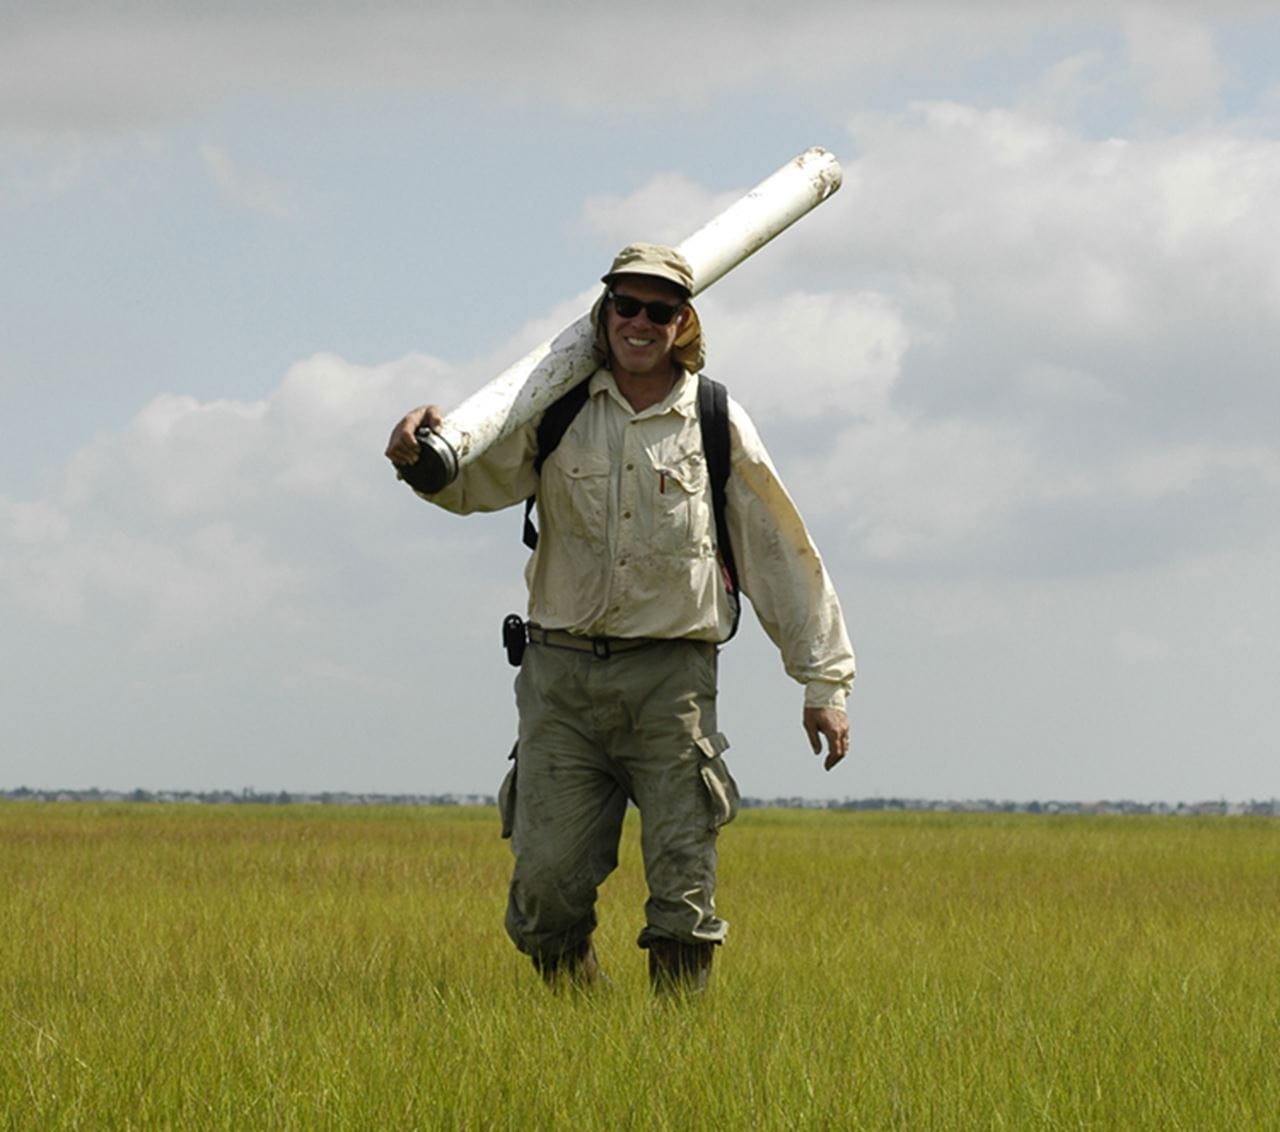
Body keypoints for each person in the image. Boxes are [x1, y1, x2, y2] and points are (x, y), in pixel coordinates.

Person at [385, 243, 854, 994]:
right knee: (544, 897)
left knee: (683, 893)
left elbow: (779, 550)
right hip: (560, 683)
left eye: (660, 310)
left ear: (683, 322)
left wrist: (824, 683)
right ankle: (586, 1036)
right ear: (604, 315)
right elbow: (473, 485)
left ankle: (677, 1061)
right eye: (625, 306)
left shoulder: (713, 418)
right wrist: (418, 457)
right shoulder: (557, 405)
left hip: (671, 688)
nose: (640, 322)